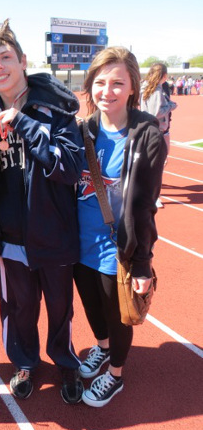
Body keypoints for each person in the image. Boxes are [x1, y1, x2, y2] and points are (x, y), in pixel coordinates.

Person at [0, 20, 84, 404]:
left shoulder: (55, 109)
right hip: (9, 239)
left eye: (5, 57)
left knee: (59, 307)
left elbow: (71, 168)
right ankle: (24, 362)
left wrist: (22, 123)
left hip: (54, 234)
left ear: (23, 61)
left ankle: (66, 363)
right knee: (19, 308)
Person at [74, 47, 167, 408]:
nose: (107, 91)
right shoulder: (82, 130)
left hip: (117, 247)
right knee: (92, 308)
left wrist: (142, 263)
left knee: (118, 315)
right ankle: (101, 348)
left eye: (117, 83)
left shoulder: (147, 135)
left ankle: (115, 375)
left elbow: (144, 206)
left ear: (132, 87)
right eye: (99, 82)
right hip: (77, 243)